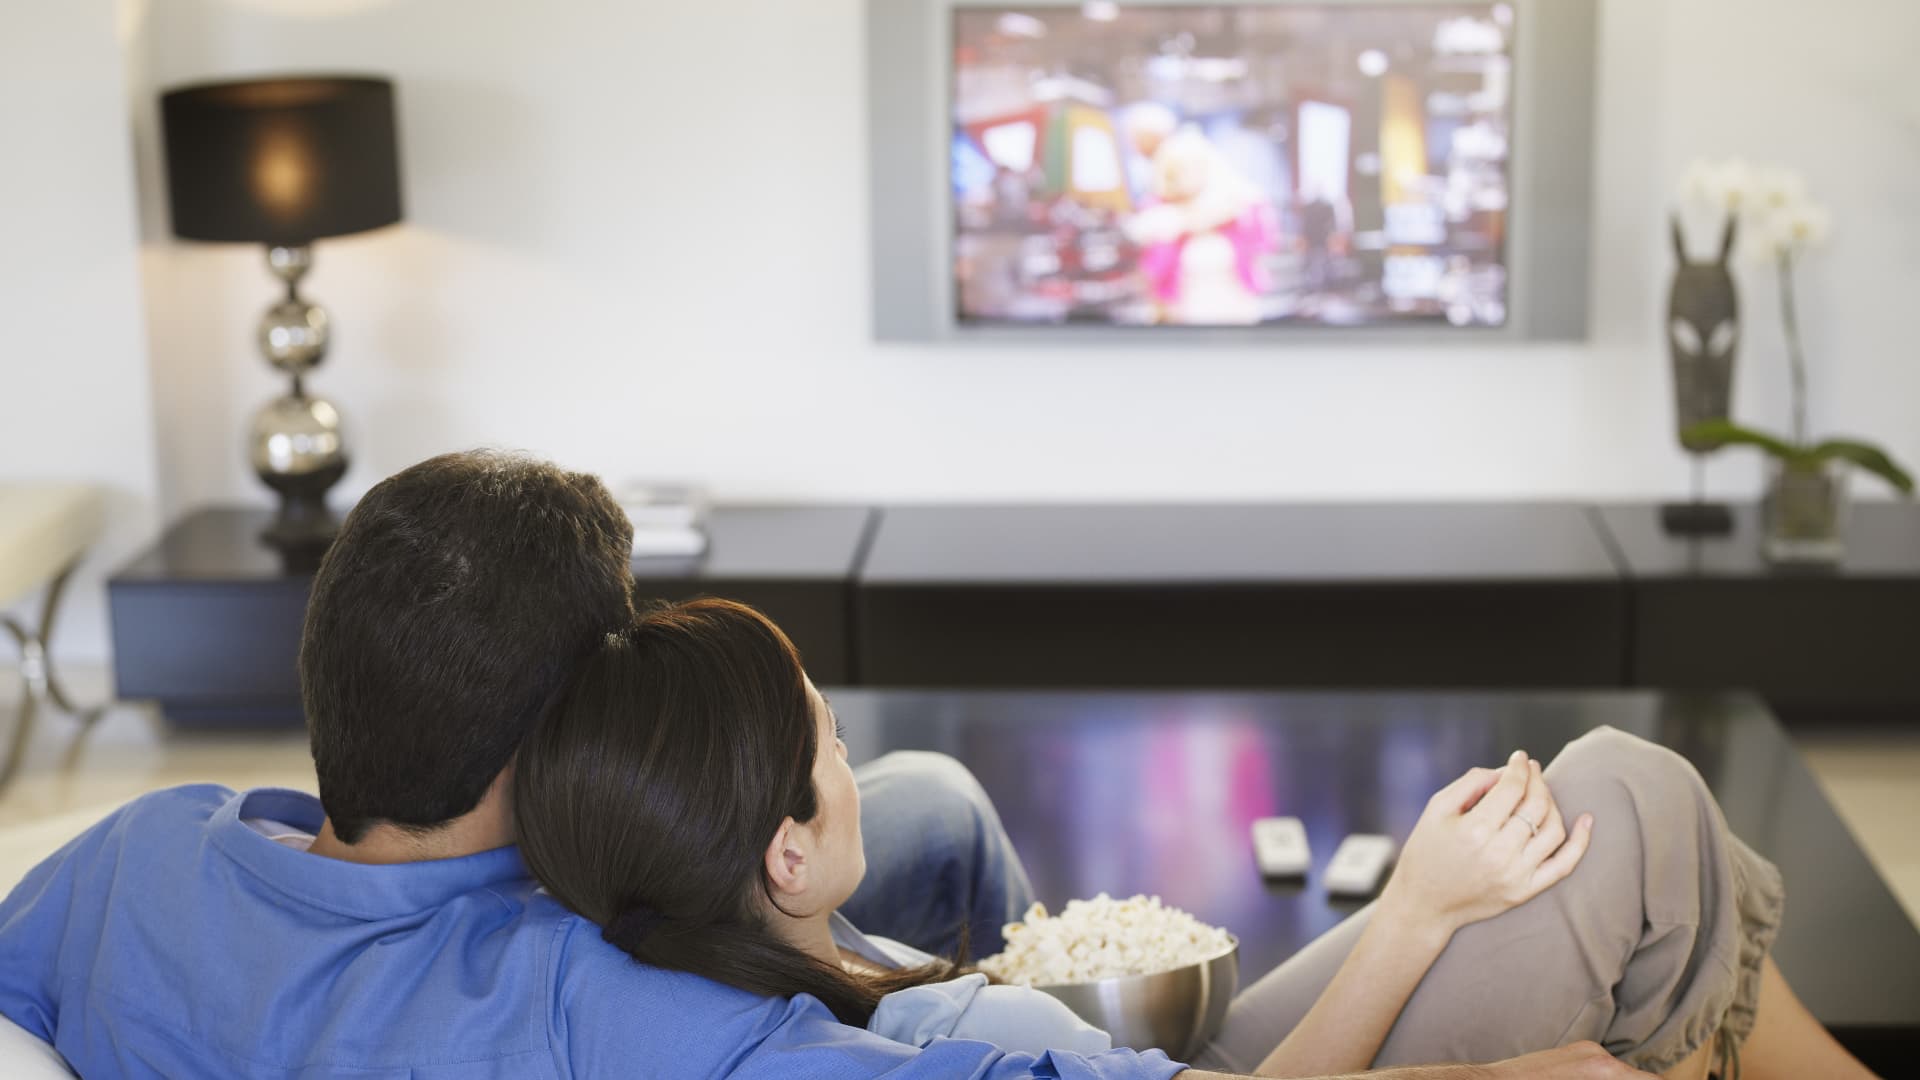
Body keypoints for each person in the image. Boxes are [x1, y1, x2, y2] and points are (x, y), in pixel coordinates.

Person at [0, 450, 1636, 1079]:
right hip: (918, 1034)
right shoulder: (607, 996)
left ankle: (1024, 974)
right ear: (565, 740)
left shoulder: (134, 856)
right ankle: (1055, 1020)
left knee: (926, 804)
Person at [513, 596, 1881, 1080]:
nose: (849, 753)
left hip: (1169, 1061)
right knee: (1629, 803)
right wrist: (1422, 906)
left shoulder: (695, 949)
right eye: (828, 740)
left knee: (1629, 799)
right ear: (785, 855)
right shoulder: (943, 1044)